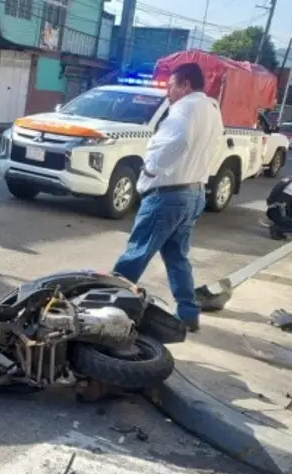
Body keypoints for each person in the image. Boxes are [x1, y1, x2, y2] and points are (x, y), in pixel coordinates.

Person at [111, 62, 224, 332]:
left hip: (168, 195)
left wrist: (151, 167)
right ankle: (188, 313)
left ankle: (110, 307)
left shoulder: (184, 108)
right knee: (177, 257)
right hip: (194, 191)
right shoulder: (211, 108)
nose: (168, 93)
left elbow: (178, 140)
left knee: (136, 254)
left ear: (185, 85)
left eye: (170, 86)